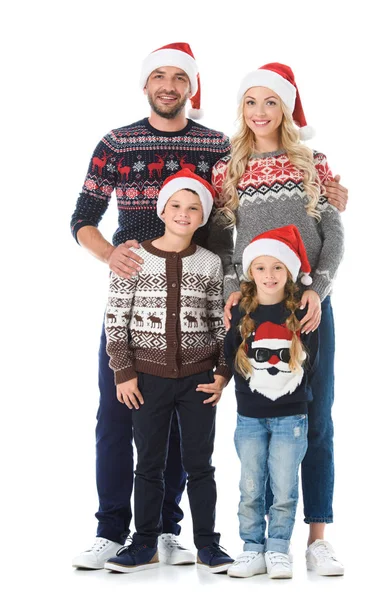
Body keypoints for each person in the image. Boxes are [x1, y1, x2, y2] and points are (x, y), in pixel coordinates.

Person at [71, 42, 231, 569]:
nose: (168, 86)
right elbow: (83, 218)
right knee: (119, 412)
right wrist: (111, 255)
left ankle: (164, 527)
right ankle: (111, 527)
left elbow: (240, 213)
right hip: (135, 301)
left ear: (191, 87)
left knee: (184, 424)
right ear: (146, 85)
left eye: (178, 78)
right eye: (158, 76)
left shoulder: (216, 146)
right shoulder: (116, 143)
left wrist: (324, 190)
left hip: (194, 302)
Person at [209, 63, 345, 575]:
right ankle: (261, 541)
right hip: (252, 309)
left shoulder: (311, 162)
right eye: (251, 102)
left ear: (286, 108)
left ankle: (317, 536)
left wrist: (320, 288)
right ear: (241, 110)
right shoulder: (230, 169)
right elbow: (223, 243)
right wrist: (229, 293)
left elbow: (333, 233)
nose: (260, 112)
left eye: (270, 102)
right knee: (259, 417)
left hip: (306, 307)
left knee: (315, 413)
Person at [102, 169, 234, 574]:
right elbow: (116, 319)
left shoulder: (211, 264)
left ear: (202, 217)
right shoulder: (133, 257)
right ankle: (143, 542)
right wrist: (123, 372)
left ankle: (208, 544)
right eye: (176, 205)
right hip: (147, 379)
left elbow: (218, 322)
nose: (183, 213)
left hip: (198, 379)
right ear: (162, 209)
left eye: (193, 208)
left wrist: (223, 372)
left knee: (200, 463)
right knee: (149, 463)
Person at [225, 225, 319, 579]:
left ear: (290, 272)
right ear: (250, 272)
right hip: (250, 416)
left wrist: (296, 397)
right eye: (261, 267)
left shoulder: (302, 314)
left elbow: (315, 363)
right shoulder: (239, 314)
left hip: (291, 418)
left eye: (278, 267)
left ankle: (278, 547)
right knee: (250, 485)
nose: (269, 275)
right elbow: (231, 357)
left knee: (284, 486)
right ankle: (251, 547)